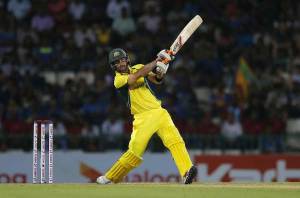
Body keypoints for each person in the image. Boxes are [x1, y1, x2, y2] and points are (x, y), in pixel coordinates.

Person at [96, 48, 197, 184]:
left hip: (159, 112)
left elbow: (157, 80)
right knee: (134, 153)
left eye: (122, 60)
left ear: (127, 59)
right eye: (116, 62)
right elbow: (134, 78)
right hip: (142, 118)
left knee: (175, 141)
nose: (120, 64)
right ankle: (110, 177)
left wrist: (161, 70)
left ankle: (186, 171)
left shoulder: (138, 67)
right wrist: (157, 61)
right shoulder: (118, 80)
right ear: (113, 66)